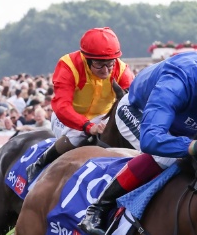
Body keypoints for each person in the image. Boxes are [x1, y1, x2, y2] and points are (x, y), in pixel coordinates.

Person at [77, 41, 197, 235]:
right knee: (165, 158)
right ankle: (98, 209)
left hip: (184, 121)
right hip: (139, 111)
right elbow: (151, 139)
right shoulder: (177, 81)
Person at [25, 27, 133, 180]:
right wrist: (89, 126)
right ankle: (39, 163)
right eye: (99, 64)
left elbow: (133, 102)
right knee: (77, 135)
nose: (105, 70)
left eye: (109, 64)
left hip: (103, 117)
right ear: (86, 59)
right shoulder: (68, 66)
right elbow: (62, 107)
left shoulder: (122, 70)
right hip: (68, 118)